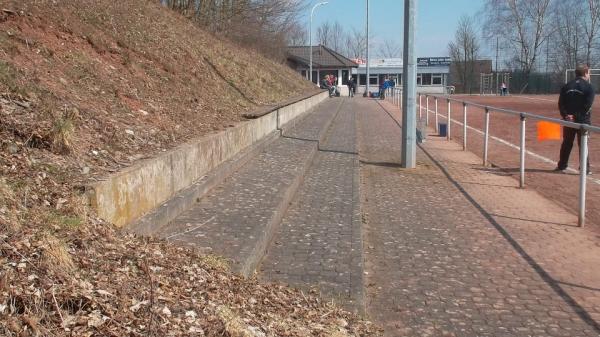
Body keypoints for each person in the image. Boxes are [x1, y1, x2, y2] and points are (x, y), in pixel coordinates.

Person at [555, 64, 595, 174]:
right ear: (586, 73)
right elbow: (587, 106)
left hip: (568, 121)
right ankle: (585, 168)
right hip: (583, 121)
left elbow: (560, 103)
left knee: (567, 143)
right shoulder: (589, 87)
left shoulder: (566, 86)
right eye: (589, 73)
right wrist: (576, 116)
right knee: (583, 144)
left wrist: (566, 115)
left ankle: (562, 165)